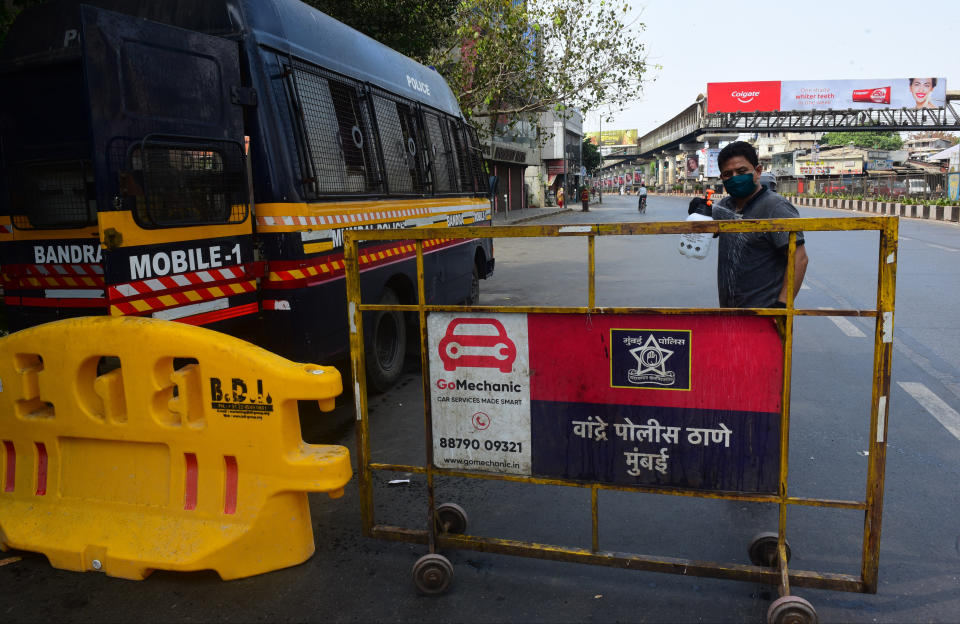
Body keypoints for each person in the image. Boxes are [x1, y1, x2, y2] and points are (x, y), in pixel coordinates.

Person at [688, 141, 808, 308]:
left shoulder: (775, 207)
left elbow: (799, 258)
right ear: (722, 178)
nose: (735, 177)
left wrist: (782, 305)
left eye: (742, 171)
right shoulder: (725, 206)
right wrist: (700, 210)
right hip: (730, 313)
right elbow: (702, 234)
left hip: (765, 314)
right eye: (728, 174)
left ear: (757, 171)